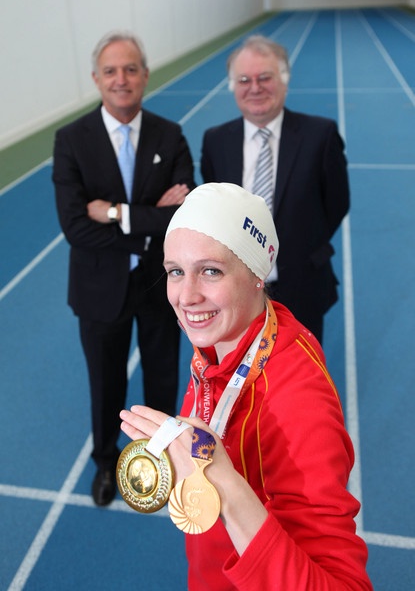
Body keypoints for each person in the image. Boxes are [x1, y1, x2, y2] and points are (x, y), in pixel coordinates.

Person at [120, 182, 373, 590]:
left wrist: (222, 481)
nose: (186, 296)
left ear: (257, 272)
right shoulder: (222, 343)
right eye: (175, 272)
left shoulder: (296, 399)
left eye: (210, 271)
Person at [53, 30, 195, 506]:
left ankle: (159, 461)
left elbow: (183, 215)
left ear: (145, 75)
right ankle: (106, 463)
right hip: (99, 290)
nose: (122, 79)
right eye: (111, 71)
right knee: (106, 384)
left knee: (162, 379)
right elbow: (75, 228)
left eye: (131, 69)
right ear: (96, 79)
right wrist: (151, 217)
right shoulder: (71, 141)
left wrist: (115, 212)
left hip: (161, 285)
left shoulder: (169, 135)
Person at [200, 35, 350, 343]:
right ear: (233, 87)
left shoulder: (320, 136)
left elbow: (337, 204)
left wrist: (300, 247)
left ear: (283, 81)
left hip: (302, 283)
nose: (254, 88)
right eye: (244, 80)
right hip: (236, 290)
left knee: (301, 378)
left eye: (264, 77)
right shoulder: (216, 141)